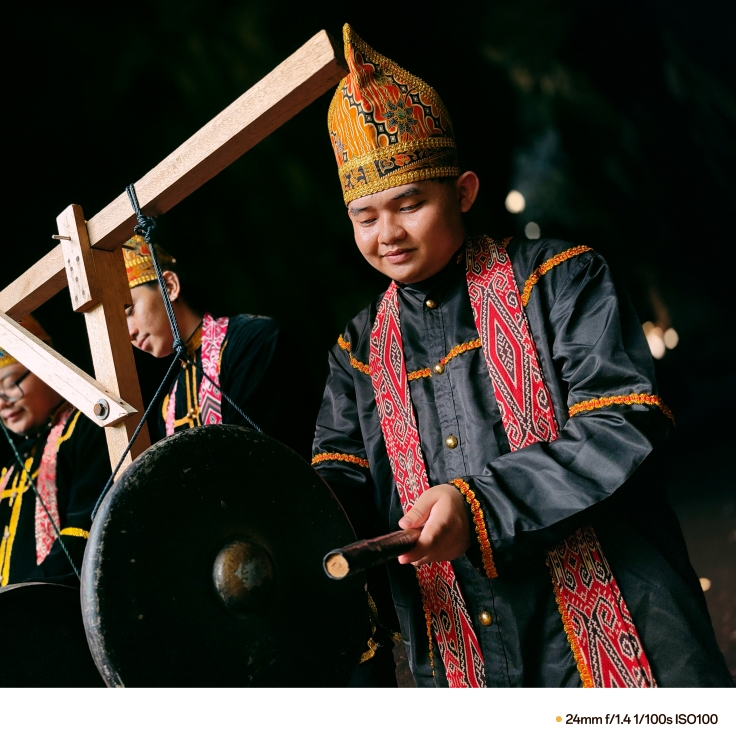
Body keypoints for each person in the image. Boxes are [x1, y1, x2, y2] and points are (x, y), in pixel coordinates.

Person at [311, 25, 732, 687]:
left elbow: (620, 424)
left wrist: (475, 504)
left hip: (622, 629)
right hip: (463, 650)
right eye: (365, 217)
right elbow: (335, 491)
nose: (387, 233)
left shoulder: (564, 279)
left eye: (409, 203)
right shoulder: (358, 352)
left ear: (466, 191)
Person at [0, 280, 111, 592]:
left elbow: (88, 530)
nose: (1, 403)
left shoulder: (88, 429)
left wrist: (23, 603)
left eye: (11, 383)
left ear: (46, 366)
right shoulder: (15, 467)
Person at [122, 235, 312, 453]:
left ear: (169, 286)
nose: (130, 333)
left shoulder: (253, 340)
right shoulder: (168, 406)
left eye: (130, 311)